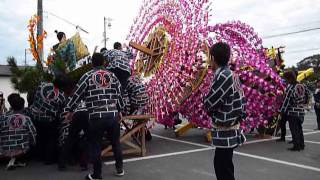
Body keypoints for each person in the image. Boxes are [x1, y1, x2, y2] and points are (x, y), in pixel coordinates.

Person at [63, 53, 125, 180]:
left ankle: (97, 175)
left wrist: (69, 110)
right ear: (104, 62)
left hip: (96, 116)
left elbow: (77, 94)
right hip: (112, 115)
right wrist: (120, 110)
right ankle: (120, 169)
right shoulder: (112, 76)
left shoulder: (87, 76)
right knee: (116, 143)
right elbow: (119, 94)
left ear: (92, 63)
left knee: (95, 145)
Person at [203, 42, 246, 180]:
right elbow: (242, 103)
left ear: (213, 58)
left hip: (225, 129)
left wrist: (206, 100)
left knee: (223, 168)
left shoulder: (223, 75)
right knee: (225, 165)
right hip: (231, 127)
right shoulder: (232, 74)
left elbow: (209, 103)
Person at [29, 76, 68, 164]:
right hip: (49, 120)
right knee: (51, 138)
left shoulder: (42, 85)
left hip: (35, 116)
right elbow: (61, 109)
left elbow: (33, 96)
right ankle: (49, 159)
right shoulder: (61, 96)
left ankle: (39, 156)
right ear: (62, 86)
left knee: (39, 136)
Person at [0, 94, 36, 170]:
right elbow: (33, 134)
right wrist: (33, 144)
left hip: (3, 151)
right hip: (21, 151)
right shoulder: (26, 119)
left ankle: (11, 159)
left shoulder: (2, 117)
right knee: (29, 144)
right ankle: (16, 159)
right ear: (23, 106)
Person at [279, 71, 310, 151]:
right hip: (301, 111)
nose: (285, 80)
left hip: (293, 112)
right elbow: (308, 95)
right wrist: (304, 103)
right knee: (300, 129)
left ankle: (296, 146)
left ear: (289, 78)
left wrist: (282, 111)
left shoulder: (291, 88)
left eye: (286, 79)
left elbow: (287, 101)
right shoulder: (302, 85)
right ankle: (302, 144)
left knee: (294, 129)